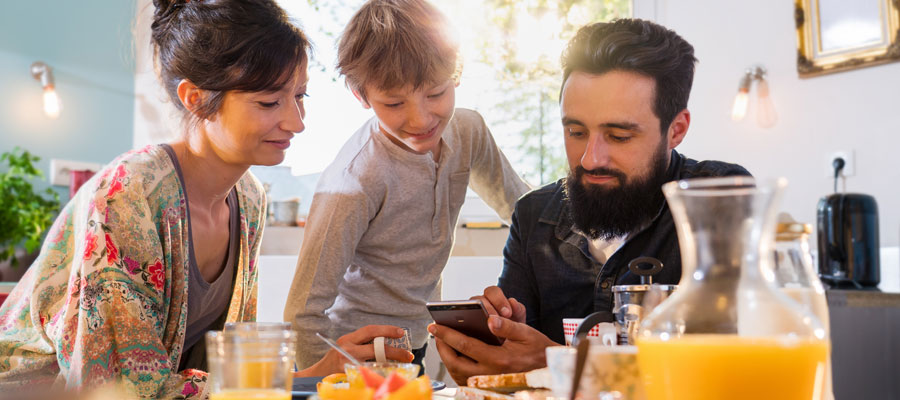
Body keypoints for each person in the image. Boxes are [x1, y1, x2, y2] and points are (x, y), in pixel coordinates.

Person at [0, 0, 408, 397]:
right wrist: (304, 379)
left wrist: (316, 375)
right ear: (194, 98)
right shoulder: (128, 195)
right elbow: (115, 387)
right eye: (269, 102)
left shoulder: (248, 200)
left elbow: (222, 368)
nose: (295, 122)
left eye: (300, 96)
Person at [429, 18, 752, 385]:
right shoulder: (534, 215)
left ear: (675, 130)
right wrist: (495, 347)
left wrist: (555, 362)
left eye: (618, 135)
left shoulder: (720, 198)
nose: (590, 159)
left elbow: (732, 369)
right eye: (576, 132)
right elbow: (514, 365)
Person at [283, 0, 530, 371]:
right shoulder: (354, 181)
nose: (421, 119)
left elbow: (523, 208)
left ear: (456, 73)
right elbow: (302, 311)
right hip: (355, 352)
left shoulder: (468, 132)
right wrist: (320, 382)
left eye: (435, 93)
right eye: (395, 103)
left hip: (417, 338)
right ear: (362, 96)